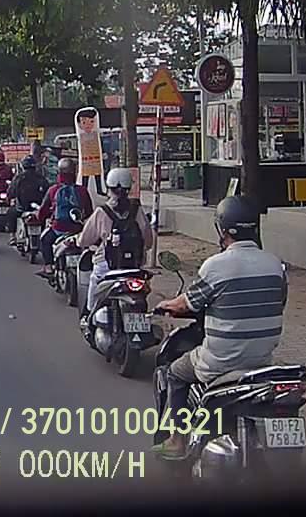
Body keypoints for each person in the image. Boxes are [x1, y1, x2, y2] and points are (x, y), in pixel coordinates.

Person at [152, 196, 286, 460]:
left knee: (175, 373)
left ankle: (177, 440)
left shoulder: (215, 266)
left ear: (223, 230)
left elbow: (187, 303)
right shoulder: (275, 265)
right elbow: (279, 302)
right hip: (262, 361)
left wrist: (166, 305)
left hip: (220, 361)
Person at [70, 168, 152, 316]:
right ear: (129, 188)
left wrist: (78, 241)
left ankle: (88, 315)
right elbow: (148, 241)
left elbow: (84, 240)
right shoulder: (137, 210)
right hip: (135, 265)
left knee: (94, 282)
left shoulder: (102, 212)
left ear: (108, 188)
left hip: (107, 265)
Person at [35, 158, 94, 276]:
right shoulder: (82, 191)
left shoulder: (53, 190)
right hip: (77, 230)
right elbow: (89, 212)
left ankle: (48, 267)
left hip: (58, 229)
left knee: (44, 240)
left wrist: (40, 218)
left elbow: (43, 211)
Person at [7, 156, 49, 245]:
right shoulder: (41, 178)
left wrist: (10, 199)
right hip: (38, 209)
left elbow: (11, 192)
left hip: (23, 208)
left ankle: (12, 236)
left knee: (11, 213)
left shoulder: (19, 178)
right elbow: (47, 193)